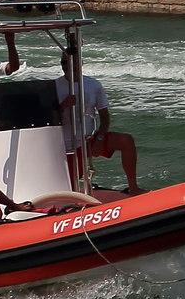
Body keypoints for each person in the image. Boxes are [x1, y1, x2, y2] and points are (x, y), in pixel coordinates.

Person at [56, 51, 141, 195]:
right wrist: (63, 106)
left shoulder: (93, 85)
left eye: (72, 62)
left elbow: (104, 117)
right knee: (67, 189)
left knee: (126, 141)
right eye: (64, 62)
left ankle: (134, 188)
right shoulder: (55, 86)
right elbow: (46, 118)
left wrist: (100, 138)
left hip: (89, 139)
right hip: (66, 145)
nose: (67, 66)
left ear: (80, 63)